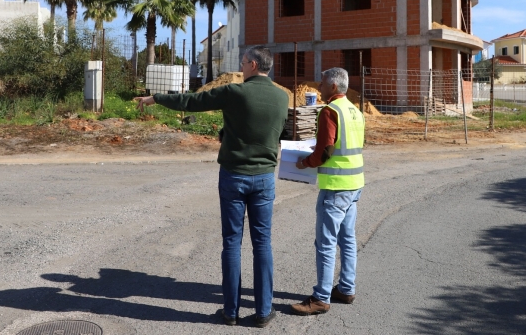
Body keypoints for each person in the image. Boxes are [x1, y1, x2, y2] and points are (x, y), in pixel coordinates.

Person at [135, 46, 288, 328]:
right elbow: (281, 132)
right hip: (265, 177)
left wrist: (155, 97)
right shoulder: (282, 96)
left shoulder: (234, 92)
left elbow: (191, 102)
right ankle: (264, 312)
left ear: (253, 65)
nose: (241, 68)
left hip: (234, 175)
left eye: (243, 63)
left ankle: (230, 311)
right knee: (262, 243)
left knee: (232, 242)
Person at [290, 67, 365, 316]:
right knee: (347, 239)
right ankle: (346, 288)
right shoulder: (355, 111)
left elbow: (325, 151)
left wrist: (303, 163)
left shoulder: (330, 111)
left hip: (335, 188)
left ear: (333, 86)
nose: (318, 87)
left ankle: (321, 298)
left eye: (322, 83)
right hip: (354, 184)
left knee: (325, 243)